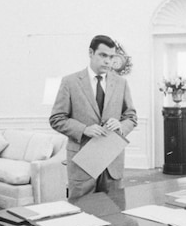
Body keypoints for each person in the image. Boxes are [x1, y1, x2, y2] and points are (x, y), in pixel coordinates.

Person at [49, 35, 137, 200]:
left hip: (112, 159)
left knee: (114, 212)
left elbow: (131, 117)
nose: (107, 61)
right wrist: (84, 130)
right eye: (103, 56)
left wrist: (120, 125)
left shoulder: (121, 83)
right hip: (83, 161)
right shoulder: (70, 82)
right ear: (91, 53)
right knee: (81, 212)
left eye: (111, 57)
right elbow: (56, 118)